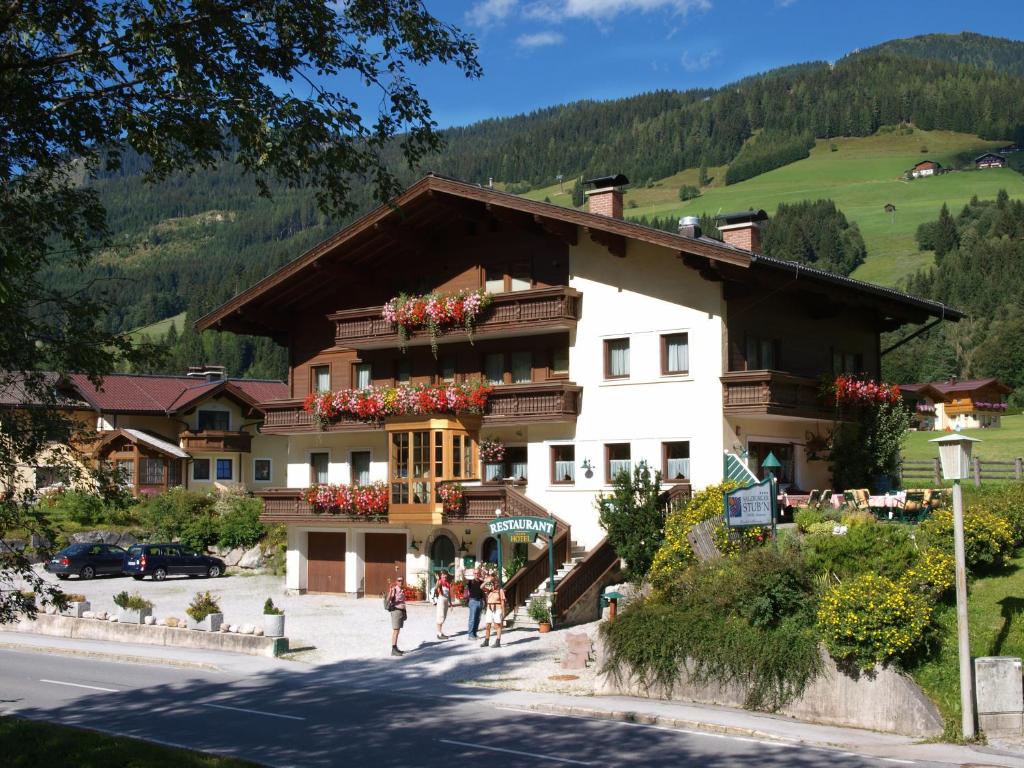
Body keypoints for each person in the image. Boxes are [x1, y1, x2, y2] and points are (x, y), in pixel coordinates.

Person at [480, 574, 506, 648]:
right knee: (487, 625)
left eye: (496, 582)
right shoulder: (489, 589)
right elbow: (481, 587)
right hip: (489, 608)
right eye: (494, 582)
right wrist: (486, 581)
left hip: (497, 608)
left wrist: (503, 613)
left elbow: (503, 602)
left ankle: (498, 641)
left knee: (497, 625)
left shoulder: (500, 591)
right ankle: (486, 641)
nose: (495, 584)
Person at [386, 576, 407, 656]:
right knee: (395, 630)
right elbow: (390, 599)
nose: (401, 582)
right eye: (399, 580)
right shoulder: (395, 589)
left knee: (397, 631)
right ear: (396, 581)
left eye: (402, 580)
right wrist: (391, 592)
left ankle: (395, 647)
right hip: (396, 611)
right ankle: (393, 649)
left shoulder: (401, 589)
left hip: (401, 611)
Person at [464, 568, 484, 639]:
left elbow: (483, 591)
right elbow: (464, 579)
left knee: (478, 619)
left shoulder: (481, 582)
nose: (476, 574)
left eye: (477, 573)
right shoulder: (470, 581)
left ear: (479, 573)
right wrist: (463, 572)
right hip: (473, 601)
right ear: (473, 574)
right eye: (475, 573)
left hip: (480, 601)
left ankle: (474, 633)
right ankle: (470, 634)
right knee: (472, 618)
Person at [434, 570, 452, 640]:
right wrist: (438, 580)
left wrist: (450, 604)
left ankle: (440, 632)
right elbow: (436, 587)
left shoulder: (447, 583)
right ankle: (439, 633)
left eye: (445, 574)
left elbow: (449, 594)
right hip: (441, 599)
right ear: (441, 576)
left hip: (446, 600)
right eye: (443, 575)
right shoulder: (440, 581)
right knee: (440, 616)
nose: (444, 576)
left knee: (443, 617)